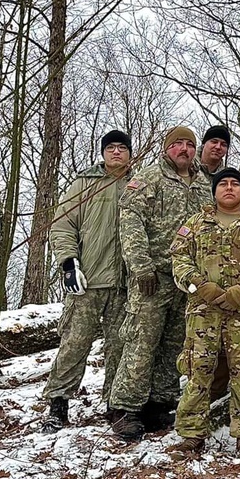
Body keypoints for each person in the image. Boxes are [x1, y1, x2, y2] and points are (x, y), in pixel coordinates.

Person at [109, 127, 213, 440]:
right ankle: (125, 408)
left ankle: (160, 402)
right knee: (142, 341)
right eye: (178, 144)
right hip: (153, 276)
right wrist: (141, 267)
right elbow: (130, 222)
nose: (184, 149)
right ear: (167, 148)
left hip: (188, 277)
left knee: (173, 342)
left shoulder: (203, 185)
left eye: (190, 145)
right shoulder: (149, 178)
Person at [169, 167, 240, 455]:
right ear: (214, 191)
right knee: (198, 370)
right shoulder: (195, 224)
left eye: (235, 184)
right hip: (203, 311)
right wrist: (200, 286)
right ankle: (192, 434)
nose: (229, 188)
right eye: (223, 184)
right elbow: (179, 260)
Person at [42, 130, 133, 431]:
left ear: (130, 153)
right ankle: (58, 403)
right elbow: (62, 225)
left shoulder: (138, 183)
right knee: (74, 343)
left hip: (124, 284)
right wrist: (69, 264)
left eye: (122, 148)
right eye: (111, 148)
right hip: (87, 282)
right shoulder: (84, 184)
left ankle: (115, 404)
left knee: (120, 345)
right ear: (103, 153)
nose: (116, 153)